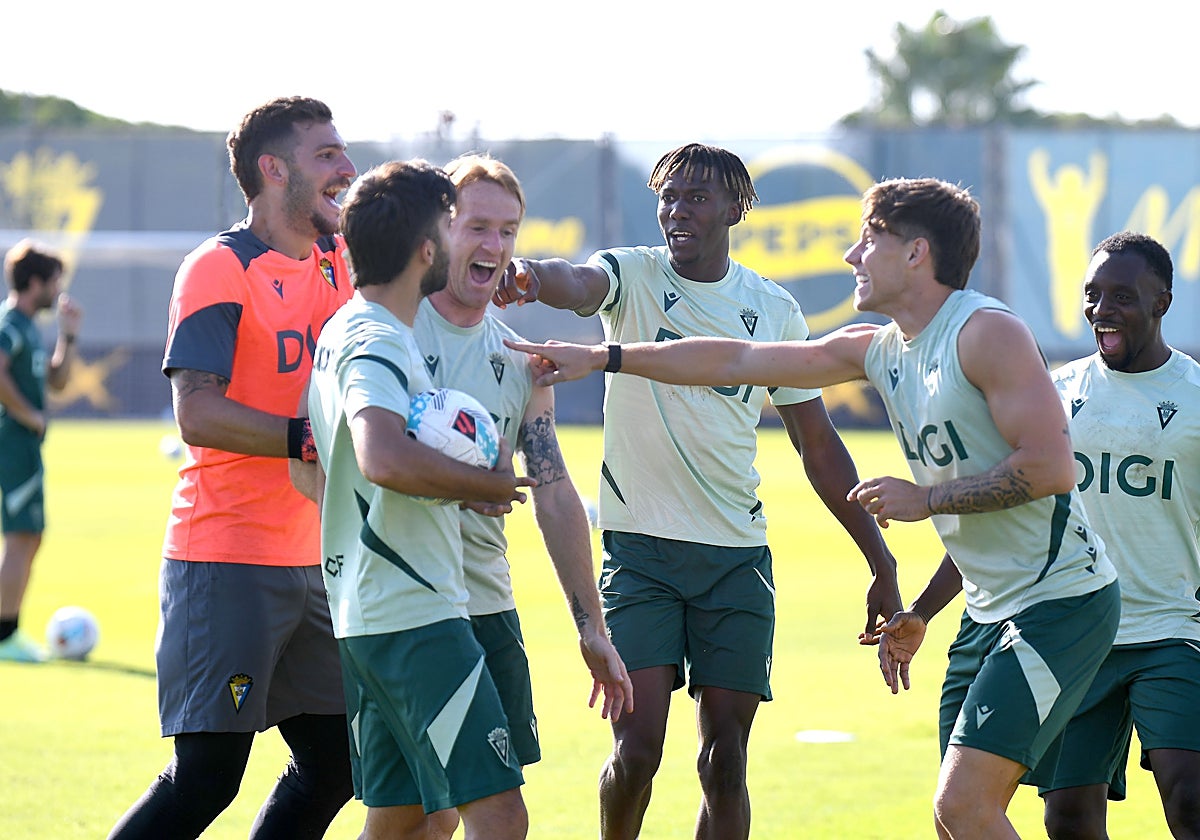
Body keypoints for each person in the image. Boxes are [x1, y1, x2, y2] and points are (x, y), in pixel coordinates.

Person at [503, 176, 1122, 840]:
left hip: (1058, 604)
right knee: (956, 818)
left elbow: (1050, 468)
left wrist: (927, 499)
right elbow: (735, 356)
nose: (852, 256)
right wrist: (602, 355)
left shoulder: (985, 331)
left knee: (964, 807)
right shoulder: (880, 349)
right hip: (988, 607)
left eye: (868, 239)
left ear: (916, 253)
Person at [493, 142, 902, 840]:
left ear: (737, 209)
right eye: (670, 196)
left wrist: (881, 561)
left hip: (735, 562)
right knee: (638, 749)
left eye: (698, 198)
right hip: (640, 556)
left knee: (725, 762)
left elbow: (817, 445)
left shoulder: (770, 309)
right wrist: (529, 277)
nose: (678, 210)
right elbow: (581, 282)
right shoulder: (633, 274)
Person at [109, 97, 357, 839]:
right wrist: (306, 438)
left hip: (318, 561)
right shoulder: (219, 267)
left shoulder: (338, 260)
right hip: (226, 559)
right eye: (327, 156)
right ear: (273, 170)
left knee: (339, 761)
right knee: (206, 782)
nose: (346, 169)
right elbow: (198, 412)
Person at [306, 158, 536, 839]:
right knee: (498, 811)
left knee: (404, 818)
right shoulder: (377, 337)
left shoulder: (345, 328)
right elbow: (381, 456)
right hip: (413, 612)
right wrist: (486, 483)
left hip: (367, 611)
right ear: (428, 248)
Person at [414, 153, 633, 837]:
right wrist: (457, 483)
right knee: (476, 817)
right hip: (408, 609)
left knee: (422, 820)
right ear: (438, 230)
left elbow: (554, 488)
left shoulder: (519, 358)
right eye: (476, 226)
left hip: (488, 608)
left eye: (508, 230)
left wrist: (589, 626)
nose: (495, 246)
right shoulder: (386, 333)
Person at [1040, 232, 1200, 839]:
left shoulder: (1195, 396)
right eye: (1093, 294)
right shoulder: (1056, 391)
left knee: (1189, 800)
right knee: (1069, 819)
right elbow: (1020, 508)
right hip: (1079, 634)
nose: (1103, 309)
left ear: (1162, 303)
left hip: (1174, 628)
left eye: (1123, 297)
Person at [0, 240, 81, 663]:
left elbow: (58, 382)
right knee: (20, 536)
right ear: (34, 282)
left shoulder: (29, 328)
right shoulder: (10, 324)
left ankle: (7, 630)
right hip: (11, 444)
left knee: (30, 536)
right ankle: (3, 636)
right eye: (54, 282)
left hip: (24, 447)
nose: (58, 290)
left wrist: (68, 336)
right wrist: (29, 416)